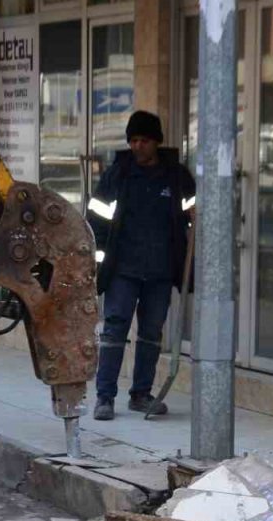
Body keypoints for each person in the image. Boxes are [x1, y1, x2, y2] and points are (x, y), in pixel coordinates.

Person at [86, 110, 195, 420]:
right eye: (133, 141)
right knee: (114, 330)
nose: (137, 147)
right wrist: (95, 265)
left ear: (156, 142)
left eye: (143, 141)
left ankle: (141, 394)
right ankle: (104, 397)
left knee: (150, 332)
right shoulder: (117, 175)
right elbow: (96, 221)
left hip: (160, 271)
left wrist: (196, 213)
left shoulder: (176, 177)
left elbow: (193, 213)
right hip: (123, 269)